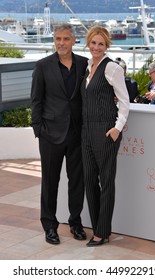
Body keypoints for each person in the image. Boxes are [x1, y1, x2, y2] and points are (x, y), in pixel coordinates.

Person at [31, 23, 88, 245]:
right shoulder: (43, 66)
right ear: (54, 41)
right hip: (50, 134)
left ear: (74, 40)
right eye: (57, 39)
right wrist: (39, 130)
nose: (61, 43)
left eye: (65, 39)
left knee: (77, 182)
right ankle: (50, 226)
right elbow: (36, 100)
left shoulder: (85, 64)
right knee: (50, 182)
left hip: (77, 134)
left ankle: (75, 223)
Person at [81, 26, 129, 247]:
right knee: (90, 180)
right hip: (87, 133)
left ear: (106, 45)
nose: (96, 47)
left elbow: (124, 101)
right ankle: (97, 227)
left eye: (101, 44)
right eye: (93, 43)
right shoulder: (88, 66)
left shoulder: (112, 68)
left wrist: (117, 128)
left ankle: (102, 232)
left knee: (106, 182)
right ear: (88, 43)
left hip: (106, 132)